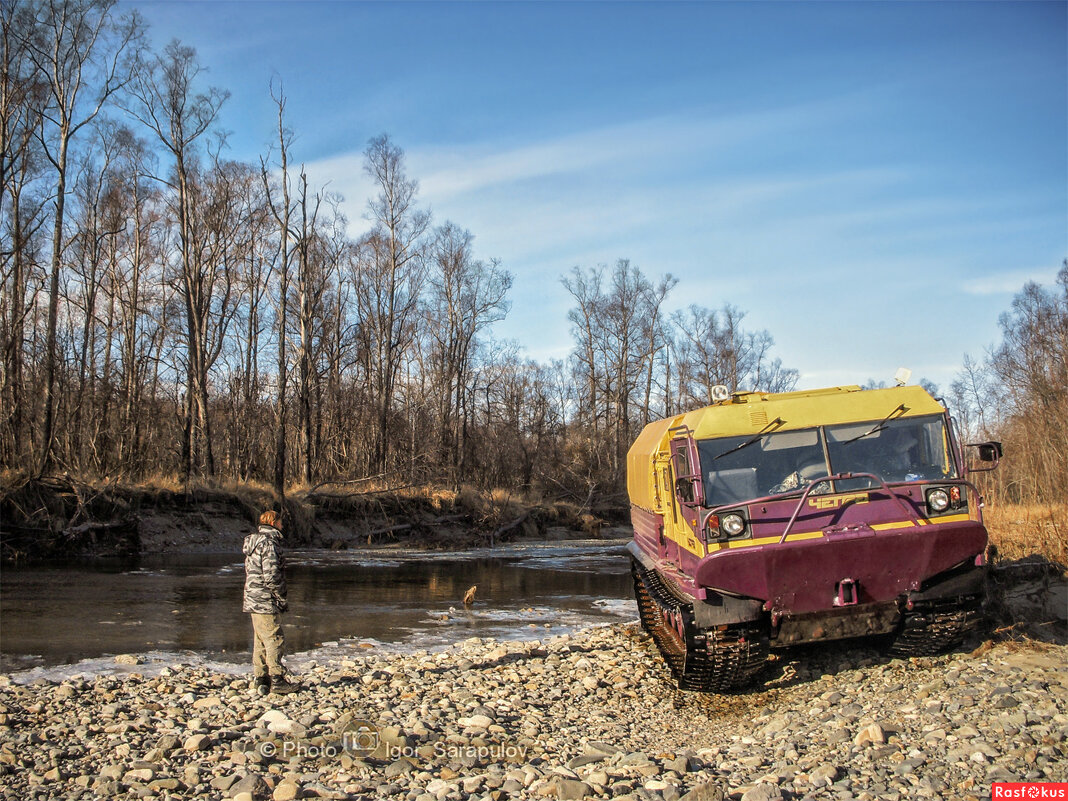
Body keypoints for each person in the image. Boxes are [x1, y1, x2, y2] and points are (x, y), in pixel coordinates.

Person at [243, 510, 297, 695]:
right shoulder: (269, 544)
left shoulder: (254, 543)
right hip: (266, 599)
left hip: (253, 597)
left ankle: (261, 678)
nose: (283, 525)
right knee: (274, 638)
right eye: (281, 522)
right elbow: (272, 575)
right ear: (274, 523)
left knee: (260, 639)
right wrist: (281, 595)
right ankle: (277, 678)